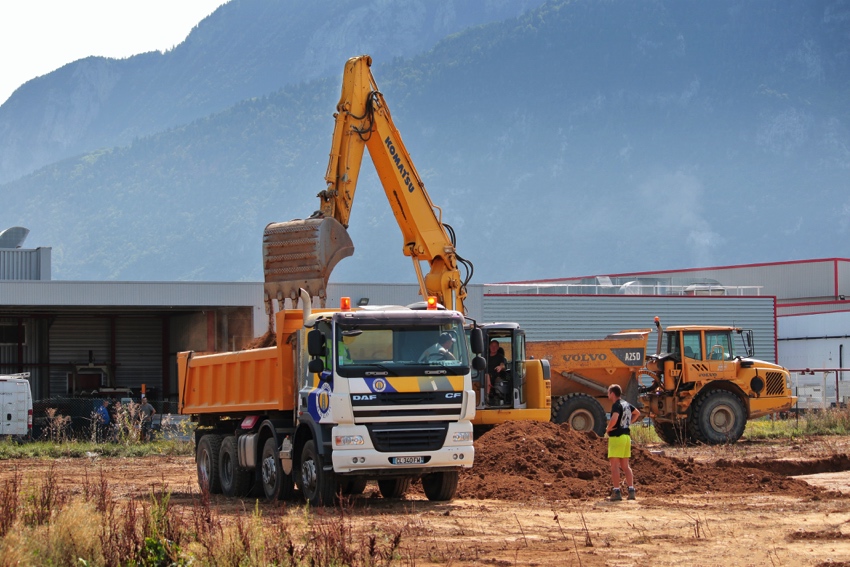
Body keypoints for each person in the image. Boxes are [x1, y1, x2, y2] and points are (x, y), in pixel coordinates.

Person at [606, 384, 641, 501]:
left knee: (614, 466)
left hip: (617, 437)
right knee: (626, 466)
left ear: (612, 393)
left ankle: (616, 491)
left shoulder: (616, 405)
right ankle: (631, 490)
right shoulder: (626, 404)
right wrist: (628, 422)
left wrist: (608, 428)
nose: (607, 394)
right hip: (626, 437)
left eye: (608, 392)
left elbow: (615, 418)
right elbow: (637, 413)